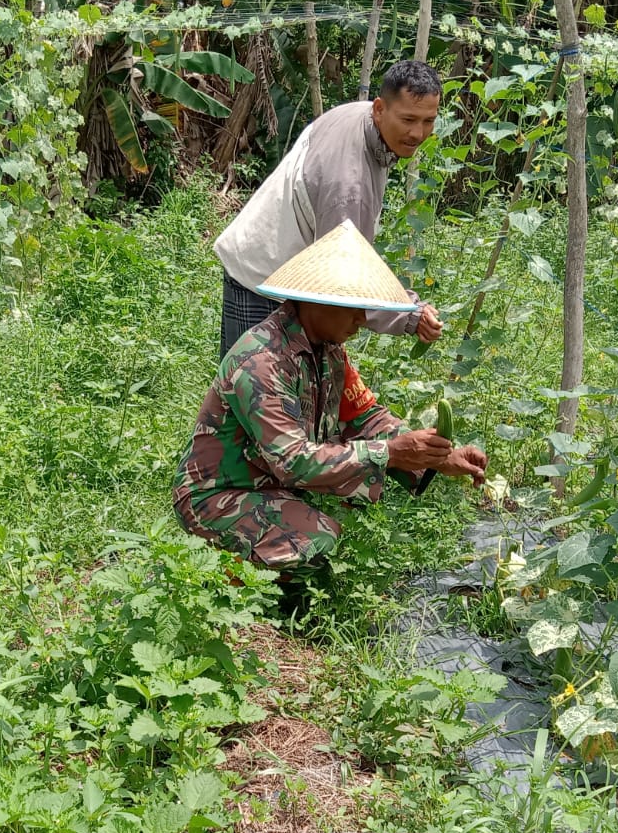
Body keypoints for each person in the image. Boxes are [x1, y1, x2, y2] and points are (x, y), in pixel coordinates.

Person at [175, 220, 487, 577]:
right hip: (216, 495)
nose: (361, 320)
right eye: (352, 307)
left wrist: (437, 456)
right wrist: (393, 452)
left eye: (364, 308)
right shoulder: (261, 363)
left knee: (341, 500)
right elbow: (292, 462)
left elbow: (365, 418)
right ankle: (223, 582)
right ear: (314, 302)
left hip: (268, 483)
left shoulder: (329, 351)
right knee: (317, 538)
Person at [213, 59, 445, 359]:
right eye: (409, 119)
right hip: (263, 279)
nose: (418, 133)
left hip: (278, 264)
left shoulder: (358, 116)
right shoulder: (348, 187)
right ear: (379, 109)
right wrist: (411, 314)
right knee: (255, 393)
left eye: (428, 121)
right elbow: (344, 282)